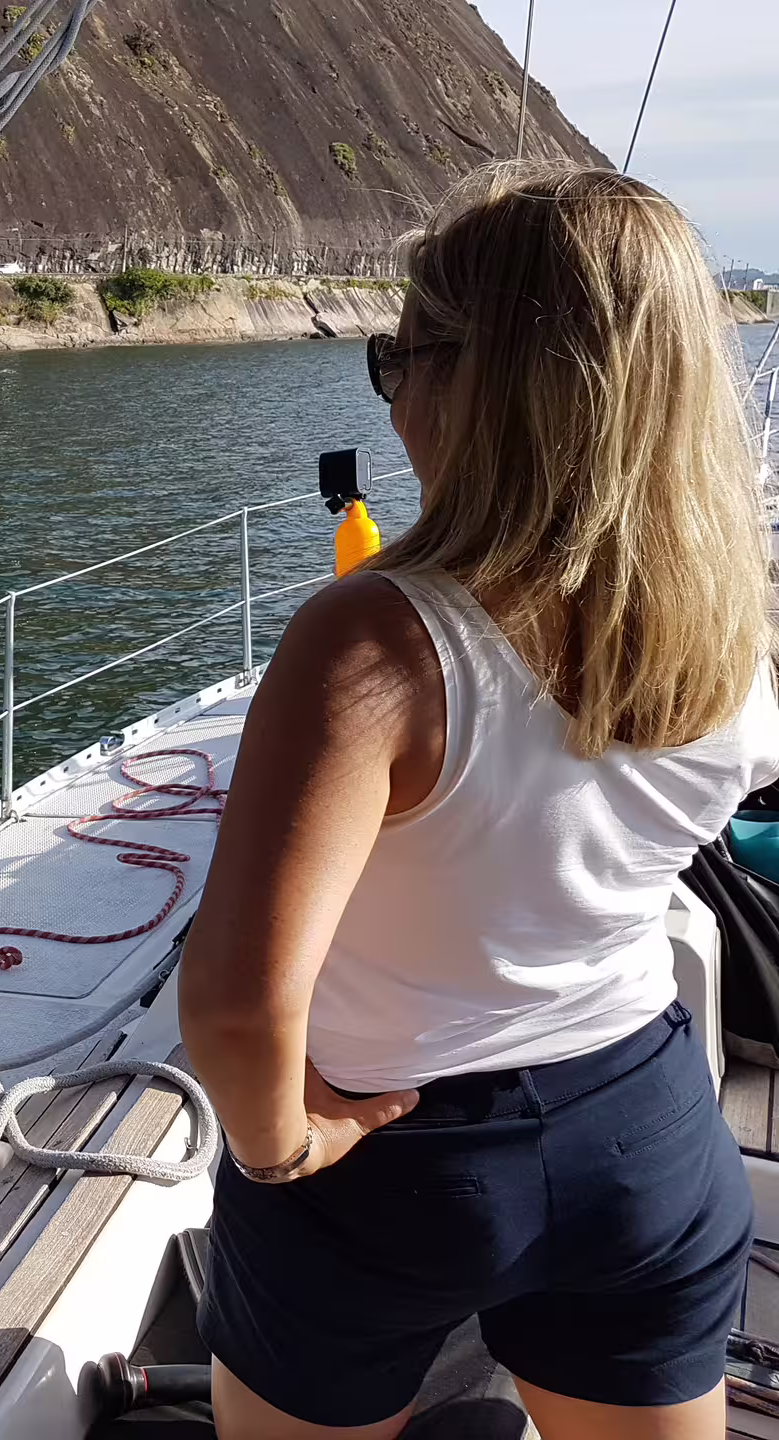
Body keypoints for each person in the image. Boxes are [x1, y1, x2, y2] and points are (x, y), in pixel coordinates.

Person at [179, 160, 779, 1439]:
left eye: (399, 356)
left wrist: (281, 1149)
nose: (392, 395)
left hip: (390, 1164)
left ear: (473, 381)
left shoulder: (372, 644)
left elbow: (235, 1007)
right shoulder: (730, 632)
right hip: (644, 1127)